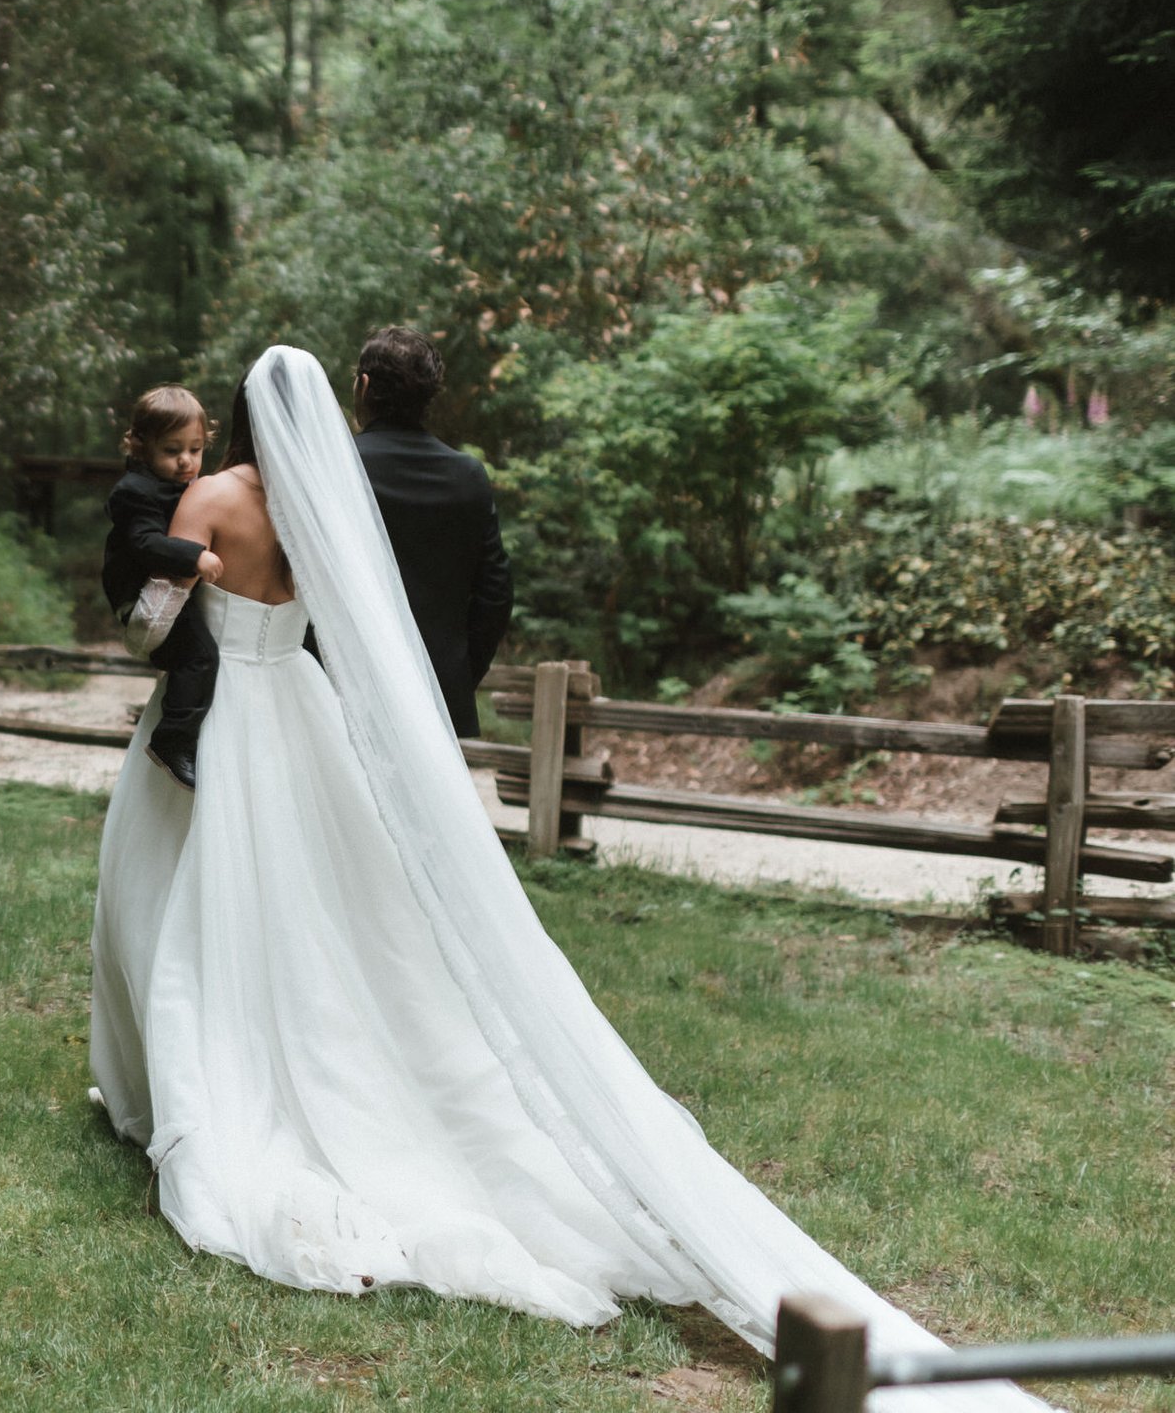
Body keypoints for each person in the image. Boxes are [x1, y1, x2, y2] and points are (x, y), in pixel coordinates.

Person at [86, 347, 1045, 1412]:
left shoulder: (207, 497)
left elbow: (150, 629)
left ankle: (170, 1088)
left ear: (234, 417)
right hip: (302, 714)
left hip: (224, 721)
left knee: (174, 901)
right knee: (319, 912)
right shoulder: (327, 508)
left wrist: (166, 610)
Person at [350, 328, 511, 738]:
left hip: (345, 685)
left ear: (363, 385)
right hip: (436, 694)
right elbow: (495, 592)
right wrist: (456, 674)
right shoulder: (468, 474)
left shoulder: (338, 464)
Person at [102, 386, 224, 790]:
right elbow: (146, 544)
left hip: (172, 592)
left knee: (196, 654)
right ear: (140, 446)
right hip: (140, 596)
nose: (186, 461)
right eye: (172, 450)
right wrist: (195, 557)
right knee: (200, 656)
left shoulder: (181, 485)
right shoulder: (133, 492)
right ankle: (172, 740)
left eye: (195, 449)